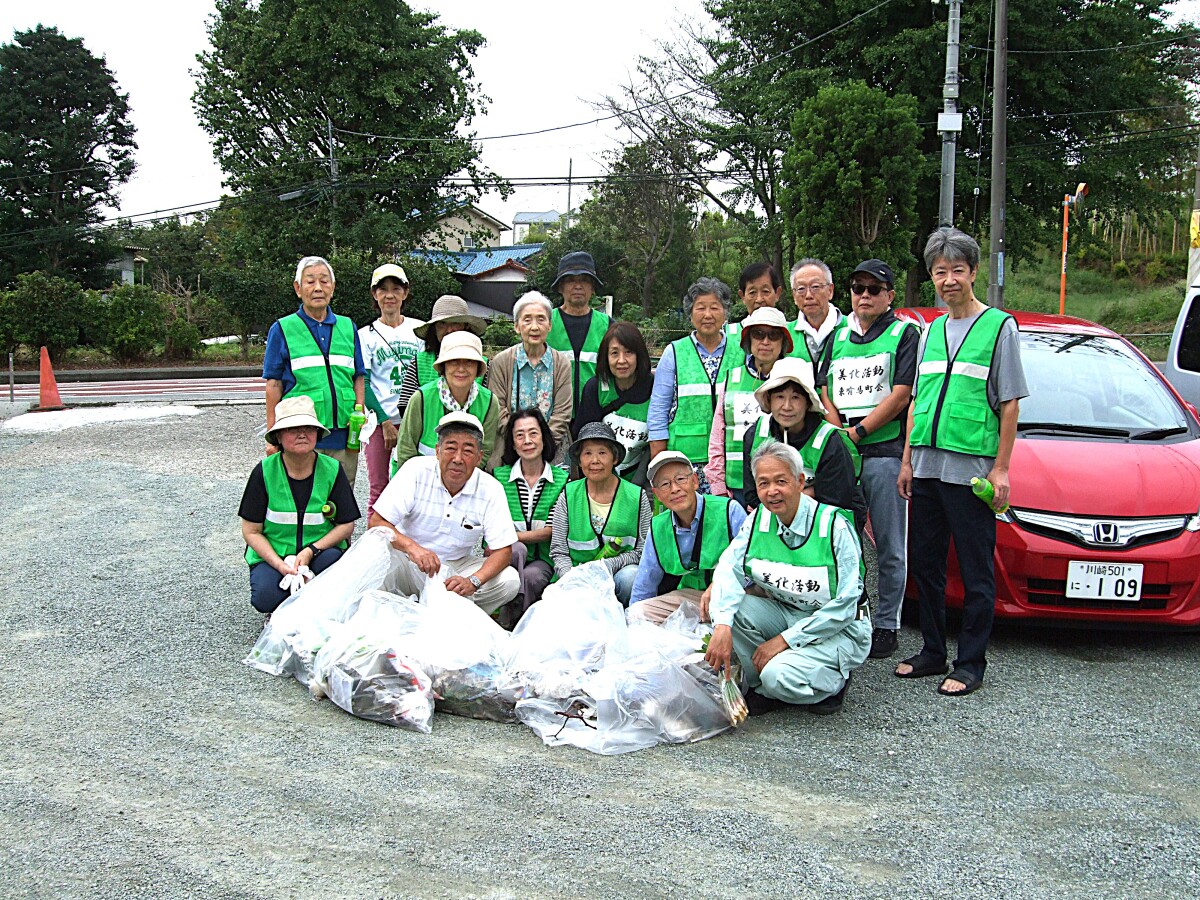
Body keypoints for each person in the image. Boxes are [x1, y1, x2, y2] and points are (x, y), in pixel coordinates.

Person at [896, 228, 1027, 697]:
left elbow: (1009, 403)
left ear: (973, 272)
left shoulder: (998, 327)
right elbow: (916, 402)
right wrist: (908, 461)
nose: (948, 280)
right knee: (926, 566)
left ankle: (970, 662)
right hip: (926, 468)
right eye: (939, 272)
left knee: (975, 571)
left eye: (956, 270)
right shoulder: (929, 331)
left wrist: (1002, 468)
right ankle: (933, 651)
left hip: (971, 473)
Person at [705, 441, 871, 715]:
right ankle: (761, 685)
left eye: (781, 481)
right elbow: (728, 567)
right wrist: (722, 625)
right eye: (763, 483)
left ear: (800, 481)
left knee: (778, 676)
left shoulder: (834, 526)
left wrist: (784, 640)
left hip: (841, 627)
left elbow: (846, 604)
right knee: (731, 610)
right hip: (788, 611)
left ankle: (832, 681)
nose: (772, 491)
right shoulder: (759, 518)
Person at [818, 259, 920, 660]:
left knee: (891, 545)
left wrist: (858, 433)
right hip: (844, 452)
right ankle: (851, 614)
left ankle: (887, 622)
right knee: (843, 539)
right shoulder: (837, 336)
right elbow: (824, 389)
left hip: (883, 452)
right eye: (858, 288)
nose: (864, 295)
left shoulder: (904, 333)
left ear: (890, 296)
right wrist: (838, 432)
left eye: (874, 289)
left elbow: (901, 393)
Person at [370, 412, 520, 613]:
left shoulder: (491, 488)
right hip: (409, 561)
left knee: (509, 580)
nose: (458, 459)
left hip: (456, 568)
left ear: (479, 457)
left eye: (467, 451)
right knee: (374, 555)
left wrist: (472, 581)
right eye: (450, 448)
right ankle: (390, 615)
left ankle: (455, 615)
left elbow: (503, 551)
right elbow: (377, 522)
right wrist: (413, 548)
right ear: (437, 451)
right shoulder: (415, 470)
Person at [239, 396, 360, 616]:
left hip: (319, 552)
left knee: (333, 568)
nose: (302, 433)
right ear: (278, 436)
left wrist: (311, 550)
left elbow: (346, 525)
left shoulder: (332, 468)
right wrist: (279, 565)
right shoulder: (264, 471)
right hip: (275, 554)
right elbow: (251, 531)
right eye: (293, 429)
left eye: (309, 428)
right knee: (265, 598)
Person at [263, 256, 367, 486]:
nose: (318, 287)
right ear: (298, 288)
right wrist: (272, 435)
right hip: (301, 432)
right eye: (310, 282)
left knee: (341, 495)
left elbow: (358, 375)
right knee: (302, 494)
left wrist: (359, 411)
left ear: (333, 287)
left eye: (324, 281)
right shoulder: (282, 328)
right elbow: (273, 384)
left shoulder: (347, 326)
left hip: (344, 435)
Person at [741, 358, 865, 528]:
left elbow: (836, 497)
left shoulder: (830, 440)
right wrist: (808, 492)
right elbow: (752, 494)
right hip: (774, 521)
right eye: (779, 396)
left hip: (826, 524)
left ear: (808, 402)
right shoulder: (754, 435)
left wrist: (783, 499)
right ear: (769, 399)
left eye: (795, 397)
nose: (787, 406)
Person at [629, 451, 747, 623]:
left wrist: (721, 585)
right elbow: (645, 583)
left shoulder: (730, 510)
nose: (675, 489)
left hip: (733, 594)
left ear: (695, 481)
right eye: (665, 484)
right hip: (692, 597)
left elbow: (750, 565)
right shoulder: (658, 527)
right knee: (637, 613)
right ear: (657, 494)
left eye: (680, 479)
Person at [647, 277, 738, 492]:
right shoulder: (674, 352)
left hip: (732, 460)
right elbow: (658, 410)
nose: (708, 315)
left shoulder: (741, 351)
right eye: (701, 308)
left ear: (725, 313)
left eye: (715, 308)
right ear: (690, 313)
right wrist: (659, 462)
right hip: (684, 461)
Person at [548, 422, 652, 605]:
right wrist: (574, 578)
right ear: (579, 461)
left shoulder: (636, 496)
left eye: (602, 453)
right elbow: (559, 551)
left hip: (616, 575)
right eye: (587, 453)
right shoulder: (568, 494)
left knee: (632, 577)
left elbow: (643, 550)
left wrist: (605, 567)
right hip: (576, 576)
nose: (595, 460)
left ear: (615, 458)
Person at [705, 306, 793, 504]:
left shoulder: (794, 378)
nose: (765, 342)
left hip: (779, 487)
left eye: (774, 335)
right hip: (735, 488)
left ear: (784, 342)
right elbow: (718, 436)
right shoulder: (732, 378)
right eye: (758, 334)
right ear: (748, 340)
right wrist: (718, 487)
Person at [357, 263, 425, 514]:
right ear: (375, 294)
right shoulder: (366, 335)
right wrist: (385, 422)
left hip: (413, 418)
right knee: (379, 486)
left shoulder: (419, 330)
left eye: (396, 288)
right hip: (378, 420)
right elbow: (364, 380)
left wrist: (414, 419)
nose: (390, 295)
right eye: (383, 289)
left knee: (416, 484)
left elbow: (425, 375)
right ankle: (377, 543)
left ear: (405, 293)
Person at [492, 408, 569, 611]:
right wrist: (517, 539)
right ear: (513, 443)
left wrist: (513, 535)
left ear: (544, 437)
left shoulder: (562, 480)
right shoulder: (498, 478)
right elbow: (492, 527)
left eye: (533, 433)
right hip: (504, 554)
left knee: (531, 576)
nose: (527, 440)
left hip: (543, 560)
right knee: (517, 550)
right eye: (519, 435)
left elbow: (553, 530)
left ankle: (517, 623)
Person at [487, 291, 573, 467]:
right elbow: (498, 408)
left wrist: (543, 446)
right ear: (517, 326)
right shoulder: (501, 362)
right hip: (509, 450)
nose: (534, 327)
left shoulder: (561, 363)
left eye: (541, 319)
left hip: (553, 451)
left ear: (549, 325)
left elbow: (562, 413)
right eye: (527, 320)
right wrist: (520, 443)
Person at [393, 331, 499, 471]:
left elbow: (484, 451)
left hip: (466, 477)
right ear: (444, 366)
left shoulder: (490, 402)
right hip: (418, 477)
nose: (461, 369)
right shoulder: (421, 398)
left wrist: (458, 479)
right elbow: (406, 450)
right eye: (454, 361)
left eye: (469, 362)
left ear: (478, 368)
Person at [573, 322, 654, 488]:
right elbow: (585, 440)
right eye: (614, 353)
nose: (621, 360)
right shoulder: (595, 388)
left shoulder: (655, 386)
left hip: (643, 478)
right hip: (601, 478)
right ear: (605, 356)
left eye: (629, 352)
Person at [396, 295, 487, 417]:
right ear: (434, 329)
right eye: (442, 324)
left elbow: (489, 405)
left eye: (455, 323)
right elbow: (405, 407)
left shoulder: (482, 363)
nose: (449, 330)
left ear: (466, 326)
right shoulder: (419, 362)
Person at [546, 251, 611, 411]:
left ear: (592, 287)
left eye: (584, 280)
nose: (578, 286)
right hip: (553, 414)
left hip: (596, 412)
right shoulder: (544, 323)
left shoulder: (608, 325)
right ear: (560, 287)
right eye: (570, 280)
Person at [787, 258, 844, 379]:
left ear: (830, 290)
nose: (808, 295)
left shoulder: (851, 328)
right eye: (801, 289)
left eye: (815, 287)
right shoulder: (785, 334)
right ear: (794, 296)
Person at [726, 261, 784, 343]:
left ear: (777, 293)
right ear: (742, 296)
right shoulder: (728, 336)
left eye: (765, 291)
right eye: (752, 292)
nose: (759, 299)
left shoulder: (788, 332)